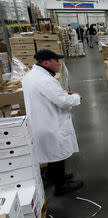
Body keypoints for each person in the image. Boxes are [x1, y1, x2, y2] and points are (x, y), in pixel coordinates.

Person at [22, 50, 83, 196]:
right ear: (46, 63)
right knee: (57, 153)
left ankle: (51, 176)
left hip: (40, 122)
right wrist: (76, 97)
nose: (59, 63)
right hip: (50, 123)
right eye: (56, 60)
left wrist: (60, 94)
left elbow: (50, 96)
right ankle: (60, 186)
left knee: (51, 152)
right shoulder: (46, 80)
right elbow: (63, 101)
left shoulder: (30, 76)